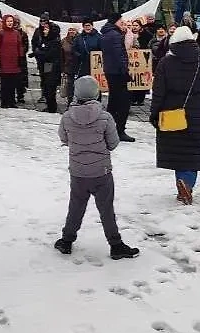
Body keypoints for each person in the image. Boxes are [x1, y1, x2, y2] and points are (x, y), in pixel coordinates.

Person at [53, 75, 140, 261]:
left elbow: (63, 138)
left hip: (78, 172)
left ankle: (67, 240)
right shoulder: (105, 117)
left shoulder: (67, 117)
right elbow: (113, 143)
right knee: (106, 208)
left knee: (76, 206)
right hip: (102, 172)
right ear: (97, 93)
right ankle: (116, 245)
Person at [151, 25, 200, 205]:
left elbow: (158, 90)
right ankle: (188, 184)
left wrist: (154, 113)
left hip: (171, 108)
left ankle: (181, 184)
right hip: (195, 108)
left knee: (177, 149)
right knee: (193, 149)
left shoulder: (165, 63)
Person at [100, 14, 134, 142]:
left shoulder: (106, 33)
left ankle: (107, 129)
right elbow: (119, 55)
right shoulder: (115, 35)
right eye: (121, 21)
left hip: (110, 71)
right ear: (115, 21)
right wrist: (125, 72)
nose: (123, 23)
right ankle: (120, 130)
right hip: (117, 72)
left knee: (113, 102)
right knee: (124, 102)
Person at [0, 14, 27, 109]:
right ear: (4, 22)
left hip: (14, 62)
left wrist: (20, 58)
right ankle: (4, 101)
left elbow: (20, 46)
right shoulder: (0, 33)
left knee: (13, 82)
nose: (10, 23)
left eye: (11, 21)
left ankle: (12, 101)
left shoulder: (16, 33)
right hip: (4, 62)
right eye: (8, 21)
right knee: (5, 83)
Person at [33, 17, 63, 113]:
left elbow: (49, 54)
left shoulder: (54, 41)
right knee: (46, 84)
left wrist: (39, 53)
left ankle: (52, 107)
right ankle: (50, 105)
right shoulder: (45, 39)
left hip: (51, 65)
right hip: (47, 65)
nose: (44, 31)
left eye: (47, 29)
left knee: (50, 86)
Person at [72, 18, 102, 82]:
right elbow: (74, 49)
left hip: (95, 64)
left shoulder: (99, 37)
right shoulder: (78, 37)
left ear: (92, 26)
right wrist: (79, 55)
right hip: (82, 64)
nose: (87, 27)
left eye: (89, 25)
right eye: (86, 26)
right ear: (83, 27)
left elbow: (103, 49)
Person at [61, 26, 79, 104]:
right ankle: (70, 101)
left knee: (79, 84)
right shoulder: (64, 41)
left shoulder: (80, 39)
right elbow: (61, 54)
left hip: (79, 65)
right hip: (68, 65)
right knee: (69, 85)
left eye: (73, 30)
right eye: (70, 30)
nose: (71, 31)